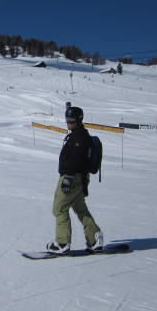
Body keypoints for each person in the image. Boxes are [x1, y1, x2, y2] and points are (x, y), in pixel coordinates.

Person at [47, 106, 103, 255]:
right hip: (79, 178)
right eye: (67, 120)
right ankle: (95, 239)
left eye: (72, 120)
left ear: (79, 120)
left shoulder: (80, 137)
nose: (69, 123)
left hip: (73, 178)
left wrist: (68, 178)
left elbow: (76, 159)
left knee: (59, 208)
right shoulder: (77, 135)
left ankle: (62, 242)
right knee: (79, 207)